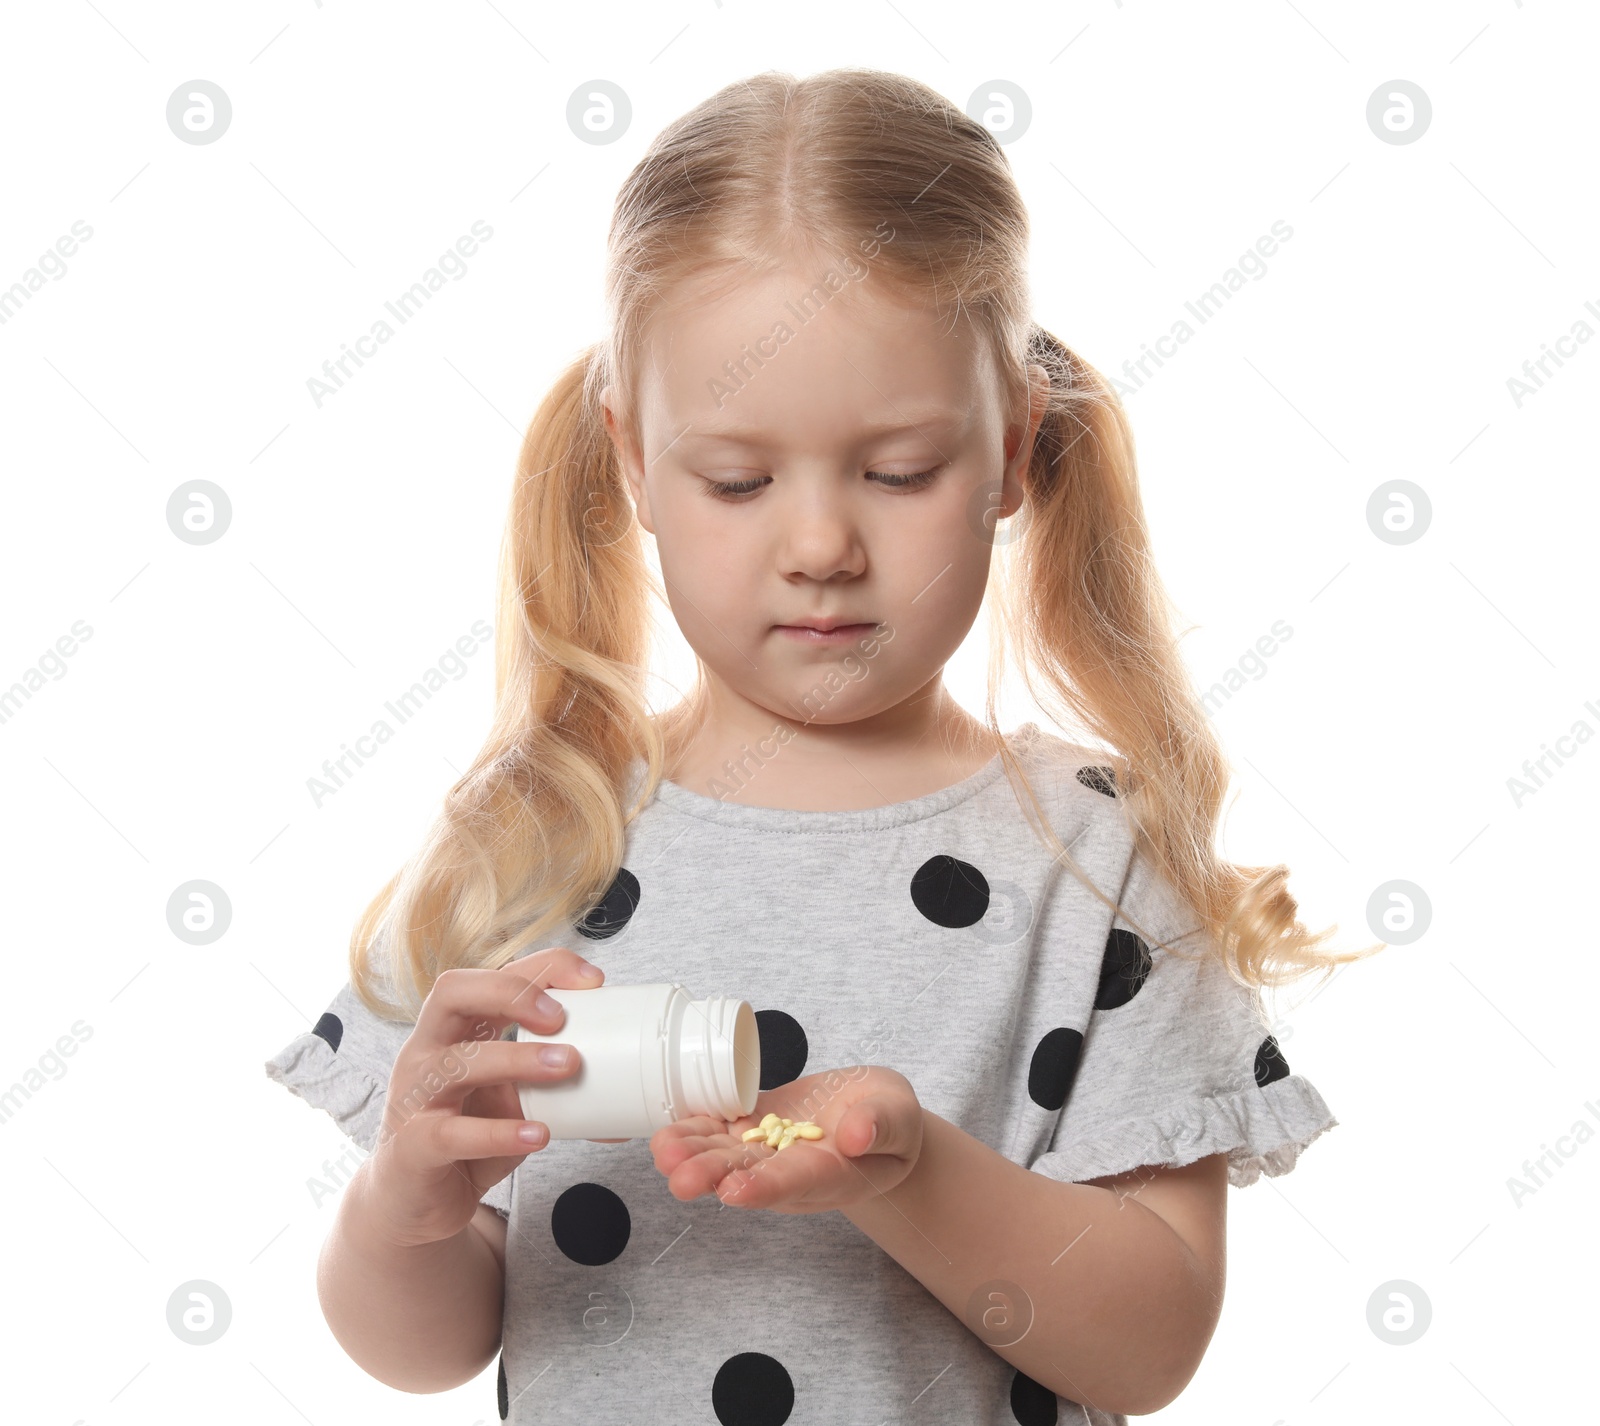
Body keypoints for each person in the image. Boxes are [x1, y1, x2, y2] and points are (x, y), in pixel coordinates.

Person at [265, 66, 1383, 1425]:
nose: (820, 548)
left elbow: (1146, 1348)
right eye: (737, 480)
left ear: (1016, 449)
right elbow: (417, 1345)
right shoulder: (538, 834)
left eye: (899, 471)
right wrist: (406, 1207)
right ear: (631, 463)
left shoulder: (1089, 859)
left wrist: (912, 1172)